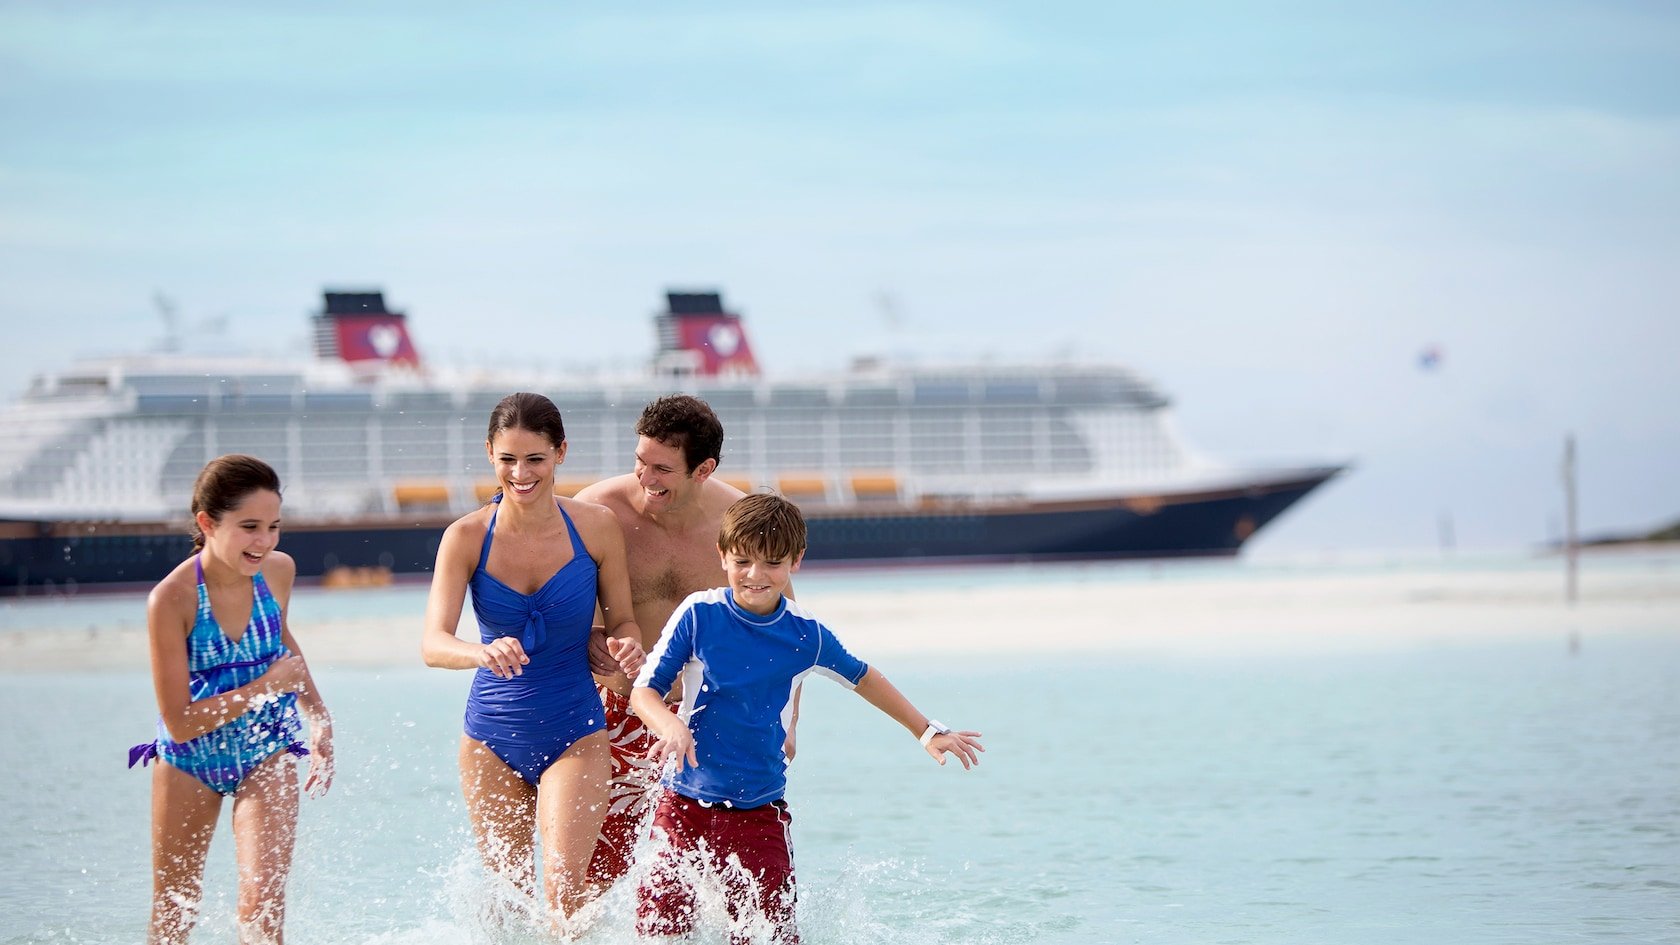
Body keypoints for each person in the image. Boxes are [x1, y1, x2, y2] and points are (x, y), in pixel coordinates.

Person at [630, 493, 984, 943]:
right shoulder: (700, 615)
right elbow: (646, 692)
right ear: (721, 556)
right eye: (742, 561)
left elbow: (864, 678)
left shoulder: (806, 635)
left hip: (759, 814)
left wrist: (926, 730)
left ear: (795, 561)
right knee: (657, 934)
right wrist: (670, 724)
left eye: (772, 563)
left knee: (773, 936)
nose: (755, 575)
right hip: (680, 807)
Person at [421, 392, 646, 923]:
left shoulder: (594, 527)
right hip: (490, 739)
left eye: (535, 459)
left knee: (566, 902)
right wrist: (479, 650)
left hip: (576, 733)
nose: (520, 473)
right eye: (507, 459)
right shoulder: (465, 537)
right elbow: (433, 643)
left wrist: (626, 644)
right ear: (490, 454)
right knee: (509, 907)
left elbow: (623, 620)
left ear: (561, 453)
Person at [129, 453, 334, 945]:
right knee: (174, 913)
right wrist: (265, 687)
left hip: (268, 748)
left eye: (273, 526)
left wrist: (318, 716)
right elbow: (178, 722)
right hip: (189, 759)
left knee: (263, 903)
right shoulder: (171, 599)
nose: (264, 541)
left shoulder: (278, 572)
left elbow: (282, 640)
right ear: (207, 522)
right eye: (249, 527)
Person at [573, 394, 756, 887]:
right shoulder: (596, 510)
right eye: (639, 462)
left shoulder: (740, 520)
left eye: (662, 469)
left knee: (719, 873)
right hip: (618, 708)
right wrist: (597, 645)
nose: (645, 478)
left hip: (713, 716)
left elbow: (782, 628)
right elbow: (557, 613)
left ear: (704, 468)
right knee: (598, 872)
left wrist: (789, 722)